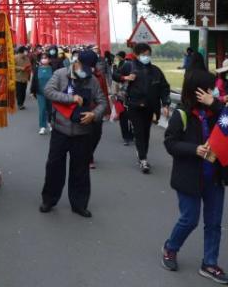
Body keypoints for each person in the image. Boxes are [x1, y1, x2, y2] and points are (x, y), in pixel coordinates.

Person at [161, 69, 228, 285]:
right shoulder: (182, 113)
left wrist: (217, 104)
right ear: (199, 90)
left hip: (215, 177)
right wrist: (195, 149)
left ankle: (209, 263)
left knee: (214, 223)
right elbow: (170, 142)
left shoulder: (218, 111)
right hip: (189, 177)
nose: (215, 90)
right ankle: (170, 248)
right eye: (212, 87)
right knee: (189, 219)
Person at [39, 48, 107, 218]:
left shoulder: (93, 81)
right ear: (76, 63)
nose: (86, 70)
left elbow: (102, 102)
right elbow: (48, 91)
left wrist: (94, 114)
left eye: (90, 68)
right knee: (54, 167)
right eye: (83, 66)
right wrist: (70, 98)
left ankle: (79, 204)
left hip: (83, 133)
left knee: (80, 170)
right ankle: (49, 200)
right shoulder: (61, 74)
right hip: (61, 130)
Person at [114, 42, 171, 173]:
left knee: (146, 132)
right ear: (136, 55)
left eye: (148, 54)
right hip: (134, 105)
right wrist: (125, 77)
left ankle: (142, 154)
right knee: (139, 131)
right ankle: (143, 159)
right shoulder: (129, 66)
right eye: (143, 54)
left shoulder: (156, 71)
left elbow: (164, 88)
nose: (146, 57)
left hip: (151, 107)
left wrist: (166, 104)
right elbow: (115, 75)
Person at [90, 51, 111, 169]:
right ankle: (89, 157)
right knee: (87, 134)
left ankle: (89, 152)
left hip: (98, 110)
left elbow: (105, 93)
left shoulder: (100, 76)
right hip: (84, 110)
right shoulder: (77, 75)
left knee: (97, 134)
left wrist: (107, 111)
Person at [31, 51, 55, 135]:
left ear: (49, 59)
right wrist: (32, 91)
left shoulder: (53, 69)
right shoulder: (37, 69)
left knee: (51, 109)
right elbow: (34, 81)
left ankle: (50, 124)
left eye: (46, 58)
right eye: (42, 58)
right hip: (40, 93)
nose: (44, 59)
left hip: (51, 93)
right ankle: (42, 126)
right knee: (42, 109)